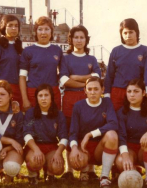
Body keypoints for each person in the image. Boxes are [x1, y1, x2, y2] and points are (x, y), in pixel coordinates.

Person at [59, 25, 101, 180]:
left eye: (81, 37)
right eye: (76, 37)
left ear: (86, 39)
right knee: (72, 131)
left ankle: (89, 169)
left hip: (88, 99)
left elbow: (96, 76)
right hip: (70, 99)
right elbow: (64, 79)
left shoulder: (91, 59)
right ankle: (70, 170)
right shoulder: (66, 58)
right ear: (71, 40)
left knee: (87, 131)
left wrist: (76, 77)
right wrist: (85, 83)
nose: (79, 40)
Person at [69, 76, 118, 188]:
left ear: (102, 89)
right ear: (85, 90)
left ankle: (104, 177)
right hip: (83, 147)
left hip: (99, 149)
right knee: (79, 161)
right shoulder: (78, 106)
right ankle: (84, 170)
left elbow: (113, 123)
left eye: (96, 89)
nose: (93, 92)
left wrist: (91, 134)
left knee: (112, 135)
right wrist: (75, 148)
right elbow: (73, 132)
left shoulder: (107, 103)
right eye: (89, 89)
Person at [115, 79, 147, 187]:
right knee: (121, 162)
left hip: (144, 149)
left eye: (136, 91)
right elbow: (121, 136)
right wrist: (125, 155)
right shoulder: (121, 112)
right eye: (129, 91)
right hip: (129, 150)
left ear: (144, 93)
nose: (132, 94)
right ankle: (134, 169)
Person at [104, 18, 147, 111]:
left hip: (136, 92)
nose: (128, 35)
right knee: (116, 120)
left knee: (135, 119)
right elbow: (109, 75)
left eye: (131, 32)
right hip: (118, 92)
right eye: (125, 33)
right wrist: (107, 94)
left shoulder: (144, 50)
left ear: (137, 33)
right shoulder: (116, 51)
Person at [23, 84, 68, 184]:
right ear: (37, 98)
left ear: (51, 97)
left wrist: (58, 153)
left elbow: (64, 136)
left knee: (58, 167)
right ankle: (33, 175)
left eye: (46, 95)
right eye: (40, 95)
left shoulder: (58, 114)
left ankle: (49, 173)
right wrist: (36, 149)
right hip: (34, 146)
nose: (43, 98)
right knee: (36, 160)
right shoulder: (31, 113)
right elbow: (27, 133)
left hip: (51, 147)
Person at [19, 16, 63, 111]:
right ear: (36, 32)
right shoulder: (28, 51)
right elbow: (22, 77)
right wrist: (25, 99)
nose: (43, 32)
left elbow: (63, 73)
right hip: (33, 92)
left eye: (47, 29)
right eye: (40, 29)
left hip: (53, 92)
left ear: (51, 32)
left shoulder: (57, 50)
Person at [0, 15, 23, 105]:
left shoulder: (19, 46)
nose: (14, 28)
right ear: (3, 27)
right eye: (10, 25)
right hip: (2, 89)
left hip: (18, 89)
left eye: (16, 26)